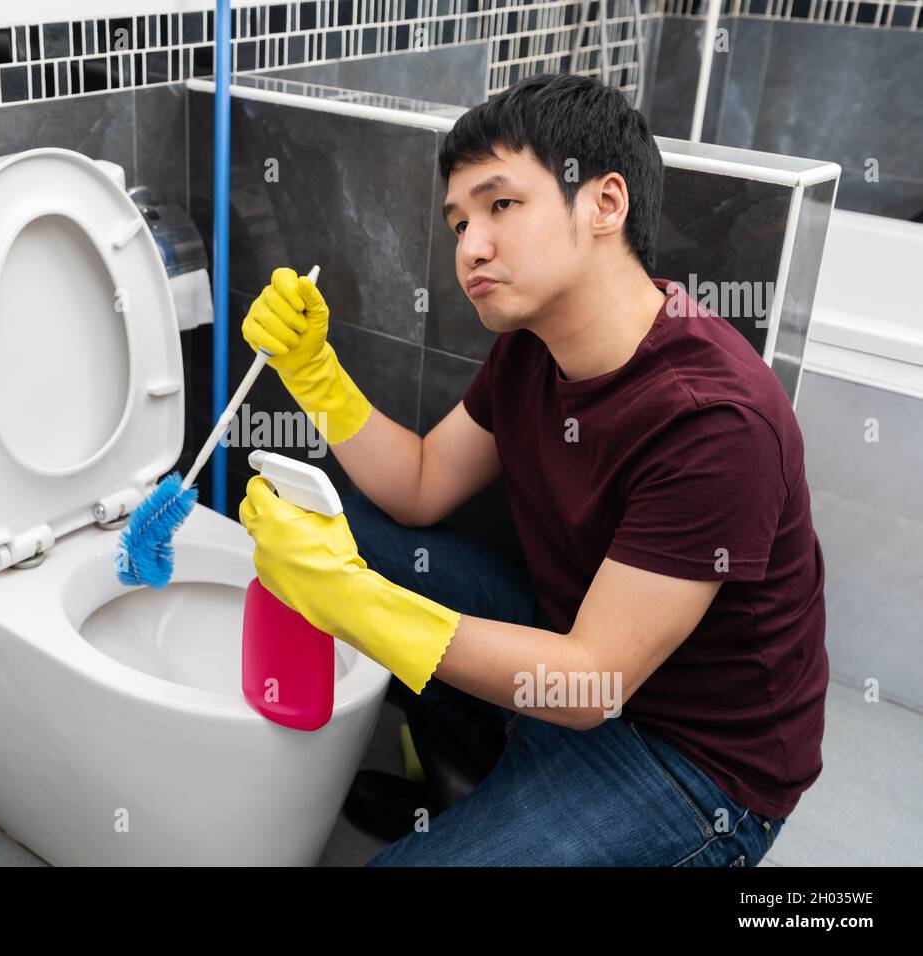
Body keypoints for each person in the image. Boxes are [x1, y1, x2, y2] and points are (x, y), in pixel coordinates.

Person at [236, 73, 828, 866]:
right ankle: (474, 779)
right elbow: (417, 488)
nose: (470, 246)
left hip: (688, 763)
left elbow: (590, 686)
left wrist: (348, 600)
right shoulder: (532, 347)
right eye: (459, 222)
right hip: (571, 646)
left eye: (501, 205)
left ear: (604, 204)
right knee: (356, 531)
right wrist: (314, 374)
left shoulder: (714, 420)